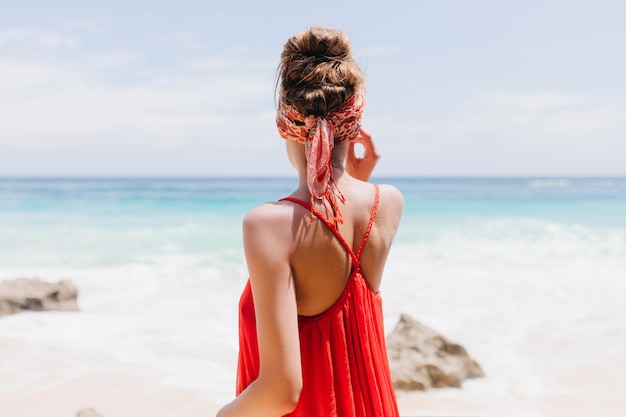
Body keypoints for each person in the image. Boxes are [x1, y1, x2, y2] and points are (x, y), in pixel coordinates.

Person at [217, 27, 403, 417]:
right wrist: (358, 181)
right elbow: (342, 283)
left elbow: (281, 391)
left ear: (286, 122)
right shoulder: (386, 203)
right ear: (353, 123)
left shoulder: (268, 225)